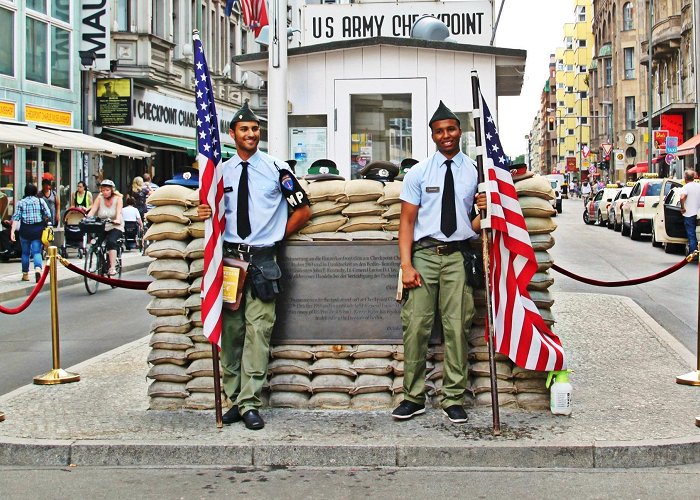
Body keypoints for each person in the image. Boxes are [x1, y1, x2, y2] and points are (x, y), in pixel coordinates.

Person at [197, 102, 311, 430]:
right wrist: (203, 213)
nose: (251, 134)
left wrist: (275, 237)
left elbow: (303, 210)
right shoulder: (220, 172)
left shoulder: (277, 169)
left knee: (258, 332)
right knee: (231, 333)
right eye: (244, 129)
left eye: (255, 129)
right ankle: (234, 397)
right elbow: (211, 210)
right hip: (230, 260)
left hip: (262, 260)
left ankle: (249, 402)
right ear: (232, 134)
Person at [393, 101, 486, 424]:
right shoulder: (419, 172)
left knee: (457, 328)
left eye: (451, 129)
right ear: (432, 135)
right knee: (416, 327)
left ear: (460, 131)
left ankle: (453, 398)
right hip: (424, 255)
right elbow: (406, 222)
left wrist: (484, 211)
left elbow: (473, 223)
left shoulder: (475, 172)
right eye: (439, 131)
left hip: (458, 256)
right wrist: (406, 265)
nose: (446, 135)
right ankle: (413, 397)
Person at [10, 184, 50, 282]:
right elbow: (48, 214)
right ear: (35, 191)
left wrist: (12, 231)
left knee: (25, 253)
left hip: (25, 230)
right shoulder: (40, 201)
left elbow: (16, 218)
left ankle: (25, 274)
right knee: (36, 252)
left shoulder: (21, 203)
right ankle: (38, 269)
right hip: (37, 230)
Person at [87, 179, 124, 276]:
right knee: (96, 243)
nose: (105, 192)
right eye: (103, 190)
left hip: (115, 225)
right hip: (102, 225)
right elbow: (92, 210)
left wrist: (116, 219)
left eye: (107, 190)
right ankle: (101, 263)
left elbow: (118, 212)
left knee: (111, 242)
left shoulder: (118, 198)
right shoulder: (99, 198)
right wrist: (87, 219)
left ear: (112, 190)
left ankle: (112, 267)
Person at [680, 169, 700, 260]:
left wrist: (682, 207)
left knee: (691, 234)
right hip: (698, 212)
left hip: (689, 214)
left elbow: (682, 197)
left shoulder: (686, 187)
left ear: (685, 178)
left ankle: (694, 254)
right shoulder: (699, 186)